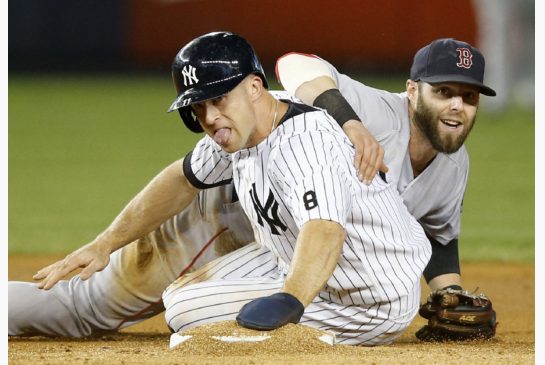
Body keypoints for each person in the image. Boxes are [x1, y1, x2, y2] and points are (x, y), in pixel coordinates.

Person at [10, 31, 432, 346]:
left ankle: (302, 342)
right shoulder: (245, 126)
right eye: (199, 106)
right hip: (302, 262)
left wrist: (291, 301)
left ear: (253, 88)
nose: (209, 116)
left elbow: (326, 230)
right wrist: (106, 243)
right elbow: (181, 179)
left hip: (366, 292)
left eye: (218, 100)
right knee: (180, 294)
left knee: (184, 312)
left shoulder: (303, 142)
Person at [274, 38, 497, 339]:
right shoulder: (378, 113)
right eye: (444, 92)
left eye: (469, 97)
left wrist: (451, 294)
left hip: (321, 259)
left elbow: (437, 235)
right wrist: (351, 124)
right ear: (413, 91)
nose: (457, 106)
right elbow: (292, 62)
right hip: (261, 214)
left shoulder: (455, 164)